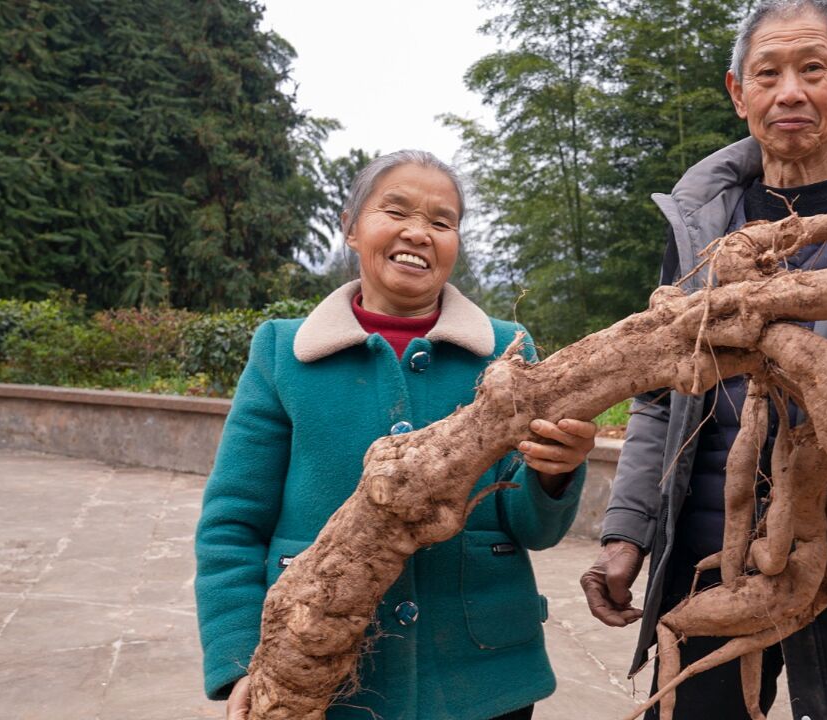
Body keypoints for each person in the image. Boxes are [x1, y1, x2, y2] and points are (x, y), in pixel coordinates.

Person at [580, 2, 827, 719]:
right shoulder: (698, 222)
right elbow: (657, 396)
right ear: (739, 93)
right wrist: (625, 535)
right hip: (711, 557)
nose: (789, 91)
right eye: (768, 73)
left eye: (812, 69)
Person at [195, 150, 596, 720]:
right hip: (322, 668)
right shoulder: (282, 352)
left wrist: (555, 471)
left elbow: (534, 527)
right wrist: (241, 660)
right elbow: (232, 524)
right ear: (352, 227)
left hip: (482, 674)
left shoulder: (508, 351)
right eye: (396, 211)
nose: (419, 233)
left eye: (441, 221)